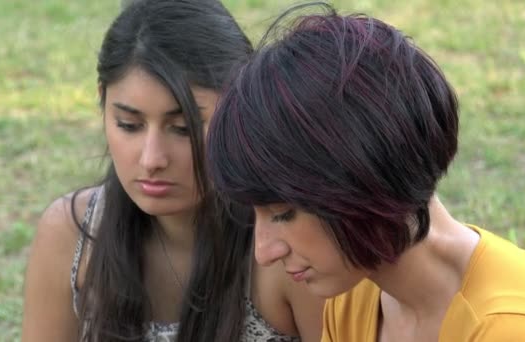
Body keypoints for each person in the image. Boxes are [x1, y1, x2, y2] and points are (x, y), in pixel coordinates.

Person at [206, 3, 525, 341]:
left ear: (361, 180)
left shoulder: (515, 329)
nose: (264, 253)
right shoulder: (357, 297)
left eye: (283, 214)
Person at [21, 1, 323, 341]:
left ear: (240, 110)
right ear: (102, 102)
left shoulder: (286, 249)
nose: (152, 159)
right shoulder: (72, 234)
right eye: (129, 125)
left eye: (183, 128)